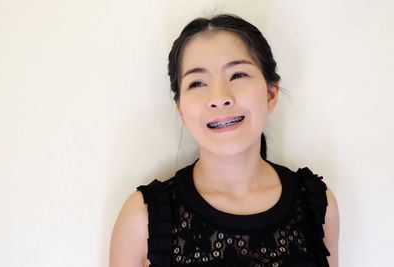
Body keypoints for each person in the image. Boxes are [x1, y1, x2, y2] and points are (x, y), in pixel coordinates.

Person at [109, 14, 339, 267]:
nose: (219, 97)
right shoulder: (142, 220)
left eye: (238, 75)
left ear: (270, 93)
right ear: (181, 109)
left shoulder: (317, 204)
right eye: (197, 83)